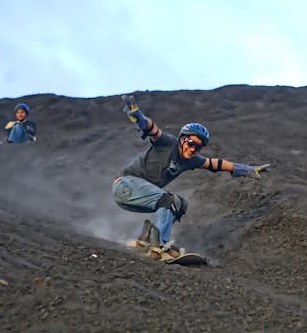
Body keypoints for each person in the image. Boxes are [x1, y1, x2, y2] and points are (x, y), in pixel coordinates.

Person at [112, 95, 270, 259]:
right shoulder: (168, 143)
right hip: (125, 185)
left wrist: (248, 169)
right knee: (169, 200)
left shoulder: (191, 160)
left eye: (199, 147)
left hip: (139, 196)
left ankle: (146, 241)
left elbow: (216, 164)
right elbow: (152, 129)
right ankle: (158, 246)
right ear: (182, 139)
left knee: (180, 205)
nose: (194, 149)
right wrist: (138, 116)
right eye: (191, 143)